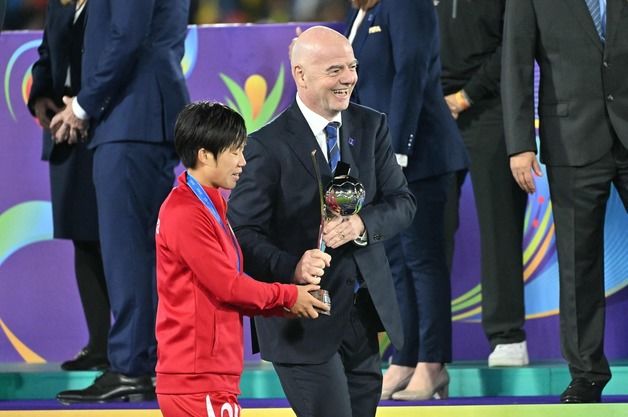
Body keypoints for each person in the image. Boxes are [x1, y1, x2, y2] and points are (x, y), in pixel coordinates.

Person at [228, 26, 416, 417]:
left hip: (362, 318)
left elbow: (402, 204)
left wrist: (360, 224)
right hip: (301, 319)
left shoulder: (371, 126)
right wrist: (291, 266)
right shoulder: (266, 145)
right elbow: (242, 233)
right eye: (334, 70)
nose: (349, 78)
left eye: (352, 66)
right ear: (300, 74)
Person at [51, 0, 190, 403]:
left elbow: (126, 35)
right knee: (140, 252)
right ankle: (143, 362)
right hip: (136, 118)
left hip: (132, 118)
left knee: (128, 251)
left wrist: (82, 104)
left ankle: (132, 366)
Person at [154, 101, 329, 417]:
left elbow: (227, 291)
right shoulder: (185, 213)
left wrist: (288, 304)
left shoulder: (211, 205)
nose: (243, 162)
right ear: (205, 154)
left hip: (212, 377)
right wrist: (289, 295)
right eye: (235, 151)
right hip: (196, 380)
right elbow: (228, 287)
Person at [502, 0, 628, 403]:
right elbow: (516, 64)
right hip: (572, 138)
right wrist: (520, 144)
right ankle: (588, 374)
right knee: (578, 264)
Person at [345, 0, 467, 401]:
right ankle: (405, 357)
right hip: (381, 161)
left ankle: (432, 365)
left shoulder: (408, 4)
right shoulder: (363, 14)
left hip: (421, 156)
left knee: (422, 261)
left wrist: (397, 152)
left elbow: (411, 74)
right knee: (394, 262)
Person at [436, 0, 529, 367]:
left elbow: (516, 43)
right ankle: (425, 345)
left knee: (499, 224)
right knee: (426, 234)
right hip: (433, 112)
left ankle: (508, 336)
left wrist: (466, 96)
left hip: (492, 108)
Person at [27, 0, 110, 372]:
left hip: (105, 128)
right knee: (83, 239)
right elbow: (47, 54)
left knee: (116, 240)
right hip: (65, 133)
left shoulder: (113, 6)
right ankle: (99, 344)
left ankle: (133, 344)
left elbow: (115, 57)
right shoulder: (59, 6)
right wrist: (40, 93)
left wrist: (84, 107)